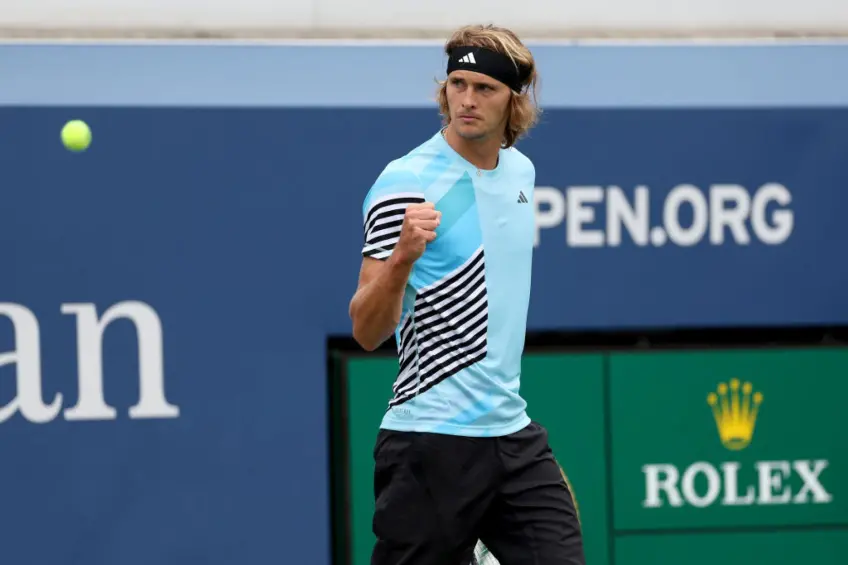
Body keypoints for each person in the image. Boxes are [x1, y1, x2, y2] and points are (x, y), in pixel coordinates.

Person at [348, 24, 585, 565]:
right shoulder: (404, 182)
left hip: (512, 434)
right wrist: (403, 257)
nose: (468, 100)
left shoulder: (521, 171)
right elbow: (366, 329)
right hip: (431, 440)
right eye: (458, 83)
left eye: (485, 88)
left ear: (513, 101)